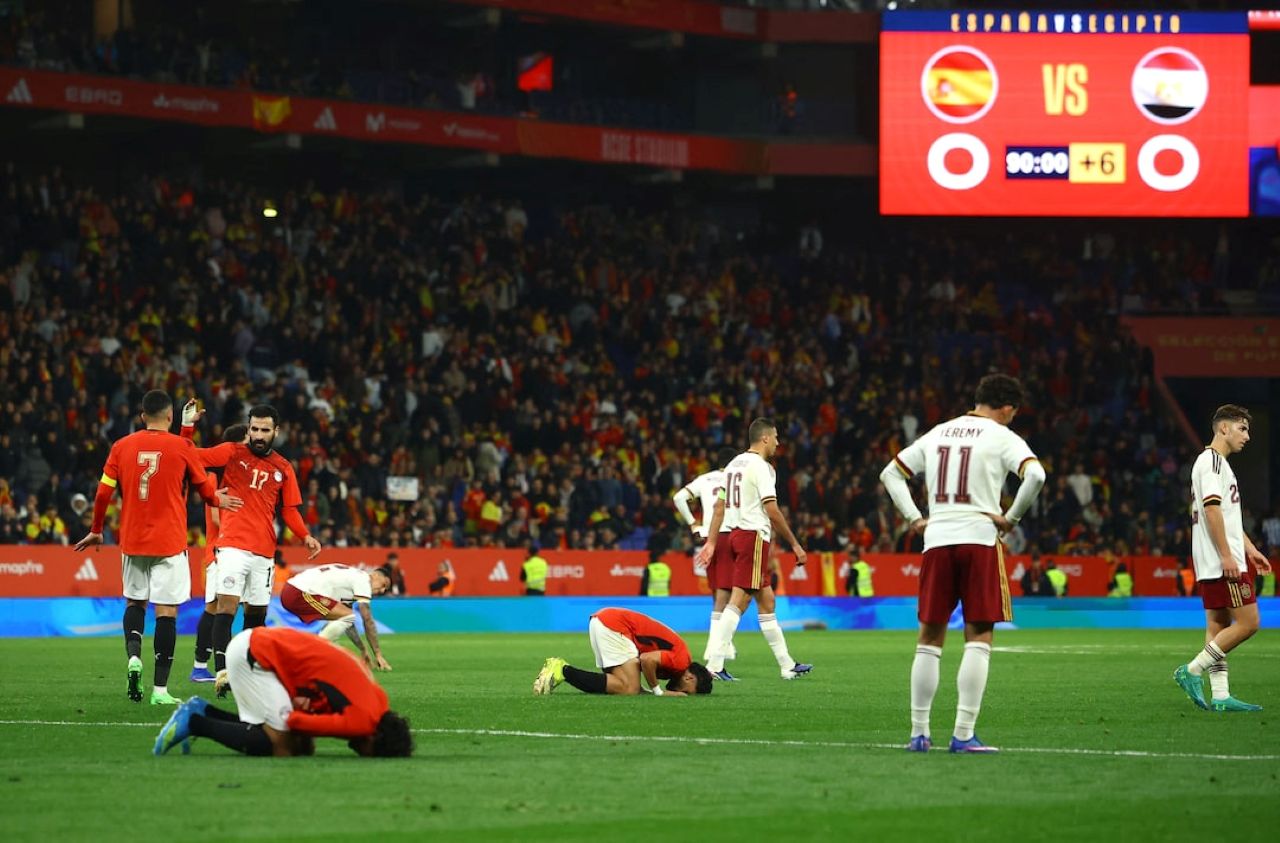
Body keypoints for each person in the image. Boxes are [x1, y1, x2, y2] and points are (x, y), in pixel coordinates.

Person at [879, 374, 1046, 753]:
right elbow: (1035, 474)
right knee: (979, 635)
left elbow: (890, 473)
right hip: (978, 537)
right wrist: (1012, 518)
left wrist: (913, 518)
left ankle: (918, 733)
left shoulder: (938, 432)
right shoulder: (1001, 435)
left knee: (929, 638)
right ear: (1006, 408)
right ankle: (964, 734)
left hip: (936, 539)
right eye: (1013, 413)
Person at [74, 390, 241, 704]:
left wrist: (97, 530)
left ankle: (133, 657)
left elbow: (101, 495)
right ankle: (160, 691)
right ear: (170, 417)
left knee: (135, 604)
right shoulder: (182, 446)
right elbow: (205, 490)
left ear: (142, 417)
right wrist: (219, 498)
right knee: (166, 612)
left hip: (133, 540)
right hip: (170, 542)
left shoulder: (121, 447)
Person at [191, 403, 322, 695]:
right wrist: (188, 428)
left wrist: (305, 536)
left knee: (257, 614)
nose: (258, 435)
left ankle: (248, 670)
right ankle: (223, 673)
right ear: (248, 429)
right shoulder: (232, 452)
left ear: (276, 431)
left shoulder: (283, 468)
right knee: (225, 606)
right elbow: (192, 456)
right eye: (254, 429)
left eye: (265, 430)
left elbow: (289, 510)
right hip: (232, 546)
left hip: (264, 551)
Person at [153, 627, 413, 757]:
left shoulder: (379, 700)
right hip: (257, 654)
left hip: (264, 646)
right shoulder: (363, 722)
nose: (360, 753)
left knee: (299, 747)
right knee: (281, 746)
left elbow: (324, 690)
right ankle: (195, 722)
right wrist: (300, 721)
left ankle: (203, 710)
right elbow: (295, 720)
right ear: (375, 740)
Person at [1174, 404, 1273, 713]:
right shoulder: (1213, 462)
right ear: (1223, 428)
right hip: (1221, 561)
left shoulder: (1216, 464)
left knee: (1218, 623)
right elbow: (1213, 510)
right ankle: (1191, 670)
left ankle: (1220, 694)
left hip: (1213, 559)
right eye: (1242, 428)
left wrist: (1250, 548)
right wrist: (1229, 556)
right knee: (1249, 622)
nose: (1247, 436)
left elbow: (1226, 518)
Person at [697, 418, 812, 681]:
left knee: (767, 600)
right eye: (776, 438)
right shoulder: (761, 467)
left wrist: (713, 542)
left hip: (736, 534)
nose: (778, 443)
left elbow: (718, 508)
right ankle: (714, 664)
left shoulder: (733, 465)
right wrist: (795, 544)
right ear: (765, 439)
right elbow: (771, 509)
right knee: (740, 600)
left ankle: (787, 665)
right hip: (753, 537)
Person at [532, 607, 712, 697]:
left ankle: (561, 671)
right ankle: (562, 670)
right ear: (690, 678)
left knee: (621, 686)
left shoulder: (678, 661)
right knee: (629, 688)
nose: (683, 693)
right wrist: (658, 692)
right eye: (688, 692)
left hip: (605, 622)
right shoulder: (681, 661)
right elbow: (647, 659)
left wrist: (647, 690)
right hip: (615, 627)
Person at [188, 421, 248, 684]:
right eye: (247, 440)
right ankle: (205, 667)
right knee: (217, 608)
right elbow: (214, 517)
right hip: (220, 551)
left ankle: (205, 667)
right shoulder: (214, 476)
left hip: (235, 550)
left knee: (220, 609)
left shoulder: (238, 475)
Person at [673, 447, 738, 662]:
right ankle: (713, 648)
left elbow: (678, 498)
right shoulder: (735, 479)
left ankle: (725, 645)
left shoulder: (705, 479)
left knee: (717, 591)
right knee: (725, 594)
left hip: (707, 538)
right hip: (727, 534)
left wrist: (693, 524)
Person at [281, 563, 393, 670]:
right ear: (375, 575)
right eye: (383, 585)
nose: (382, 590)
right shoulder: (364, 580)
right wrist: (378, 654)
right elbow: (367, 619)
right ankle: (310, 654)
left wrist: (363, 650)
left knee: (343, 618)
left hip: (292, 590)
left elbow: (347, 621)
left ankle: (319, 658)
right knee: (347, 617)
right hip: (299, 592)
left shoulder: (352, 578)